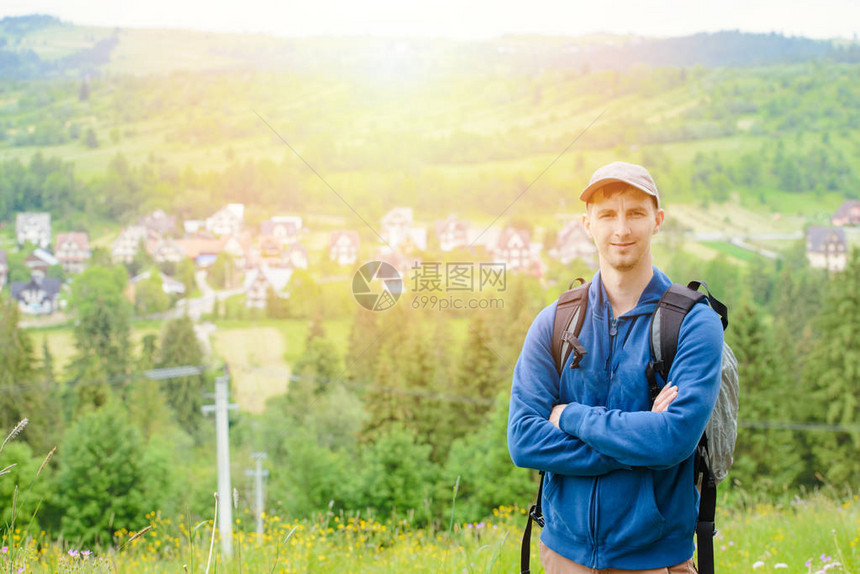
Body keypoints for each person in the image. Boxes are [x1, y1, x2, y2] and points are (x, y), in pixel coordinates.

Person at [507, 161, 724, 573]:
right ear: (587, 223)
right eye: (607, 215)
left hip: (654, 560)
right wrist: (639, 439)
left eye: (635, 213)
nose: (621, 229)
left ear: (657, 221)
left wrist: (569, 416)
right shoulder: (554, 322)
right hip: (562, 556)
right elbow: (522, 441)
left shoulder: (694, 323)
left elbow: (672, 441)